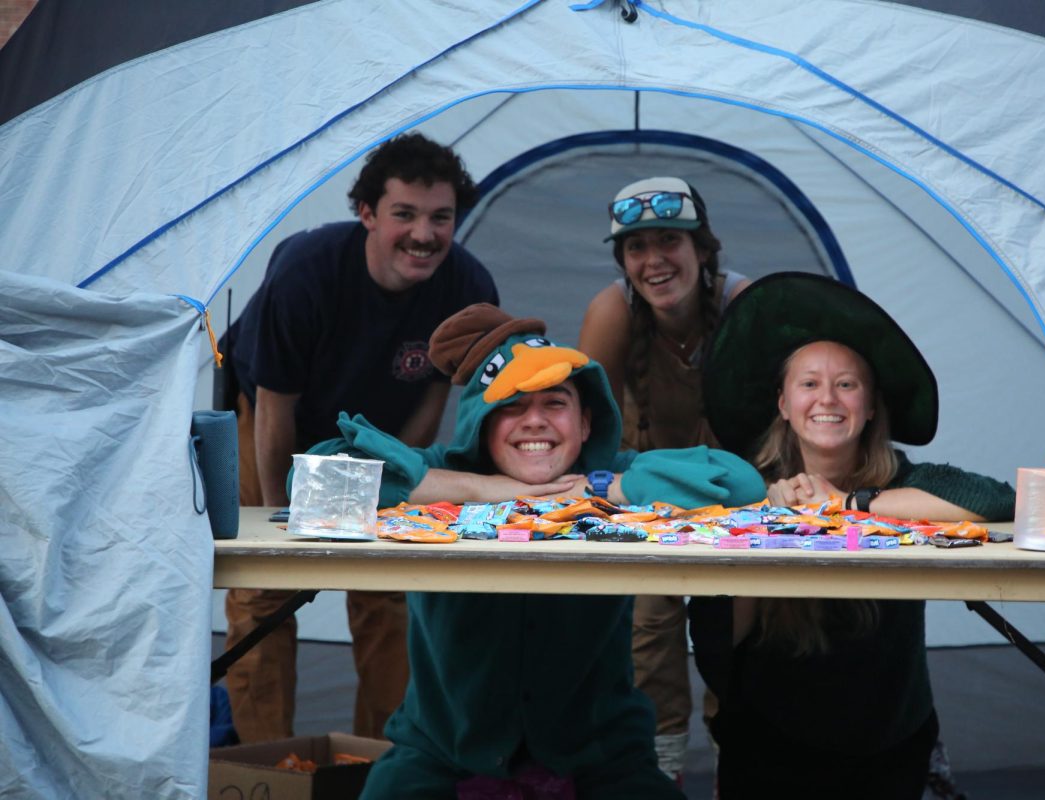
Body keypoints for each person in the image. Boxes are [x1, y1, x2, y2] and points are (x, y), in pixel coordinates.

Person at [304, 303, 765, 799]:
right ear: (479, 423)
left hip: (600, 757)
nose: (535, 422)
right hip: (444, 754)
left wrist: (600, 489)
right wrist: (482, 491)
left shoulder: (620, 478)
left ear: (586, 423)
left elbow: (741, 483)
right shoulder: (439, 475)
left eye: (555, 403)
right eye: (512, 405)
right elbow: (314, 479)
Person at [690, 271, 1017, 799]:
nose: (828, 399)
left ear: (868, 407)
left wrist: (846, 506)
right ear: (782, 403)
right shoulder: (744, 485)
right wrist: (766, 528)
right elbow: (718, 643)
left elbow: (998, 500)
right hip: (774, 742)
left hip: (887, 743)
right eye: (809, 383)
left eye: (846, 384)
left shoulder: (903, 482)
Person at [223, 133, 499, 743]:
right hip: (275, 420)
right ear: (368, 213)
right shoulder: (306, 274)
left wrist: (391, 481)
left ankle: (382, 760)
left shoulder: (468, 288)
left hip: (376, 437)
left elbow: (433, 398)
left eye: (441, 217)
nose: (423, 234)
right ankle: (270, 764)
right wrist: (283, 523)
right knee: (265, 586)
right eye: (404, 214)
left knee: (388, 582)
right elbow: (275, 410)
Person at [577, 176, 750, 779]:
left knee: (735, 632)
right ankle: (660, 769)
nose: (653, 261)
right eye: (636, 247)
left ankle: (742, 761)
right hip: (639, 493)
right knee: (648, 623)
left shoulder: (740, 304)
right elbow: (589, 433)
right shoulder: (612, 312)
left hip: (732, 496)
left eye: (669, 241)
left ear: (702, 248)